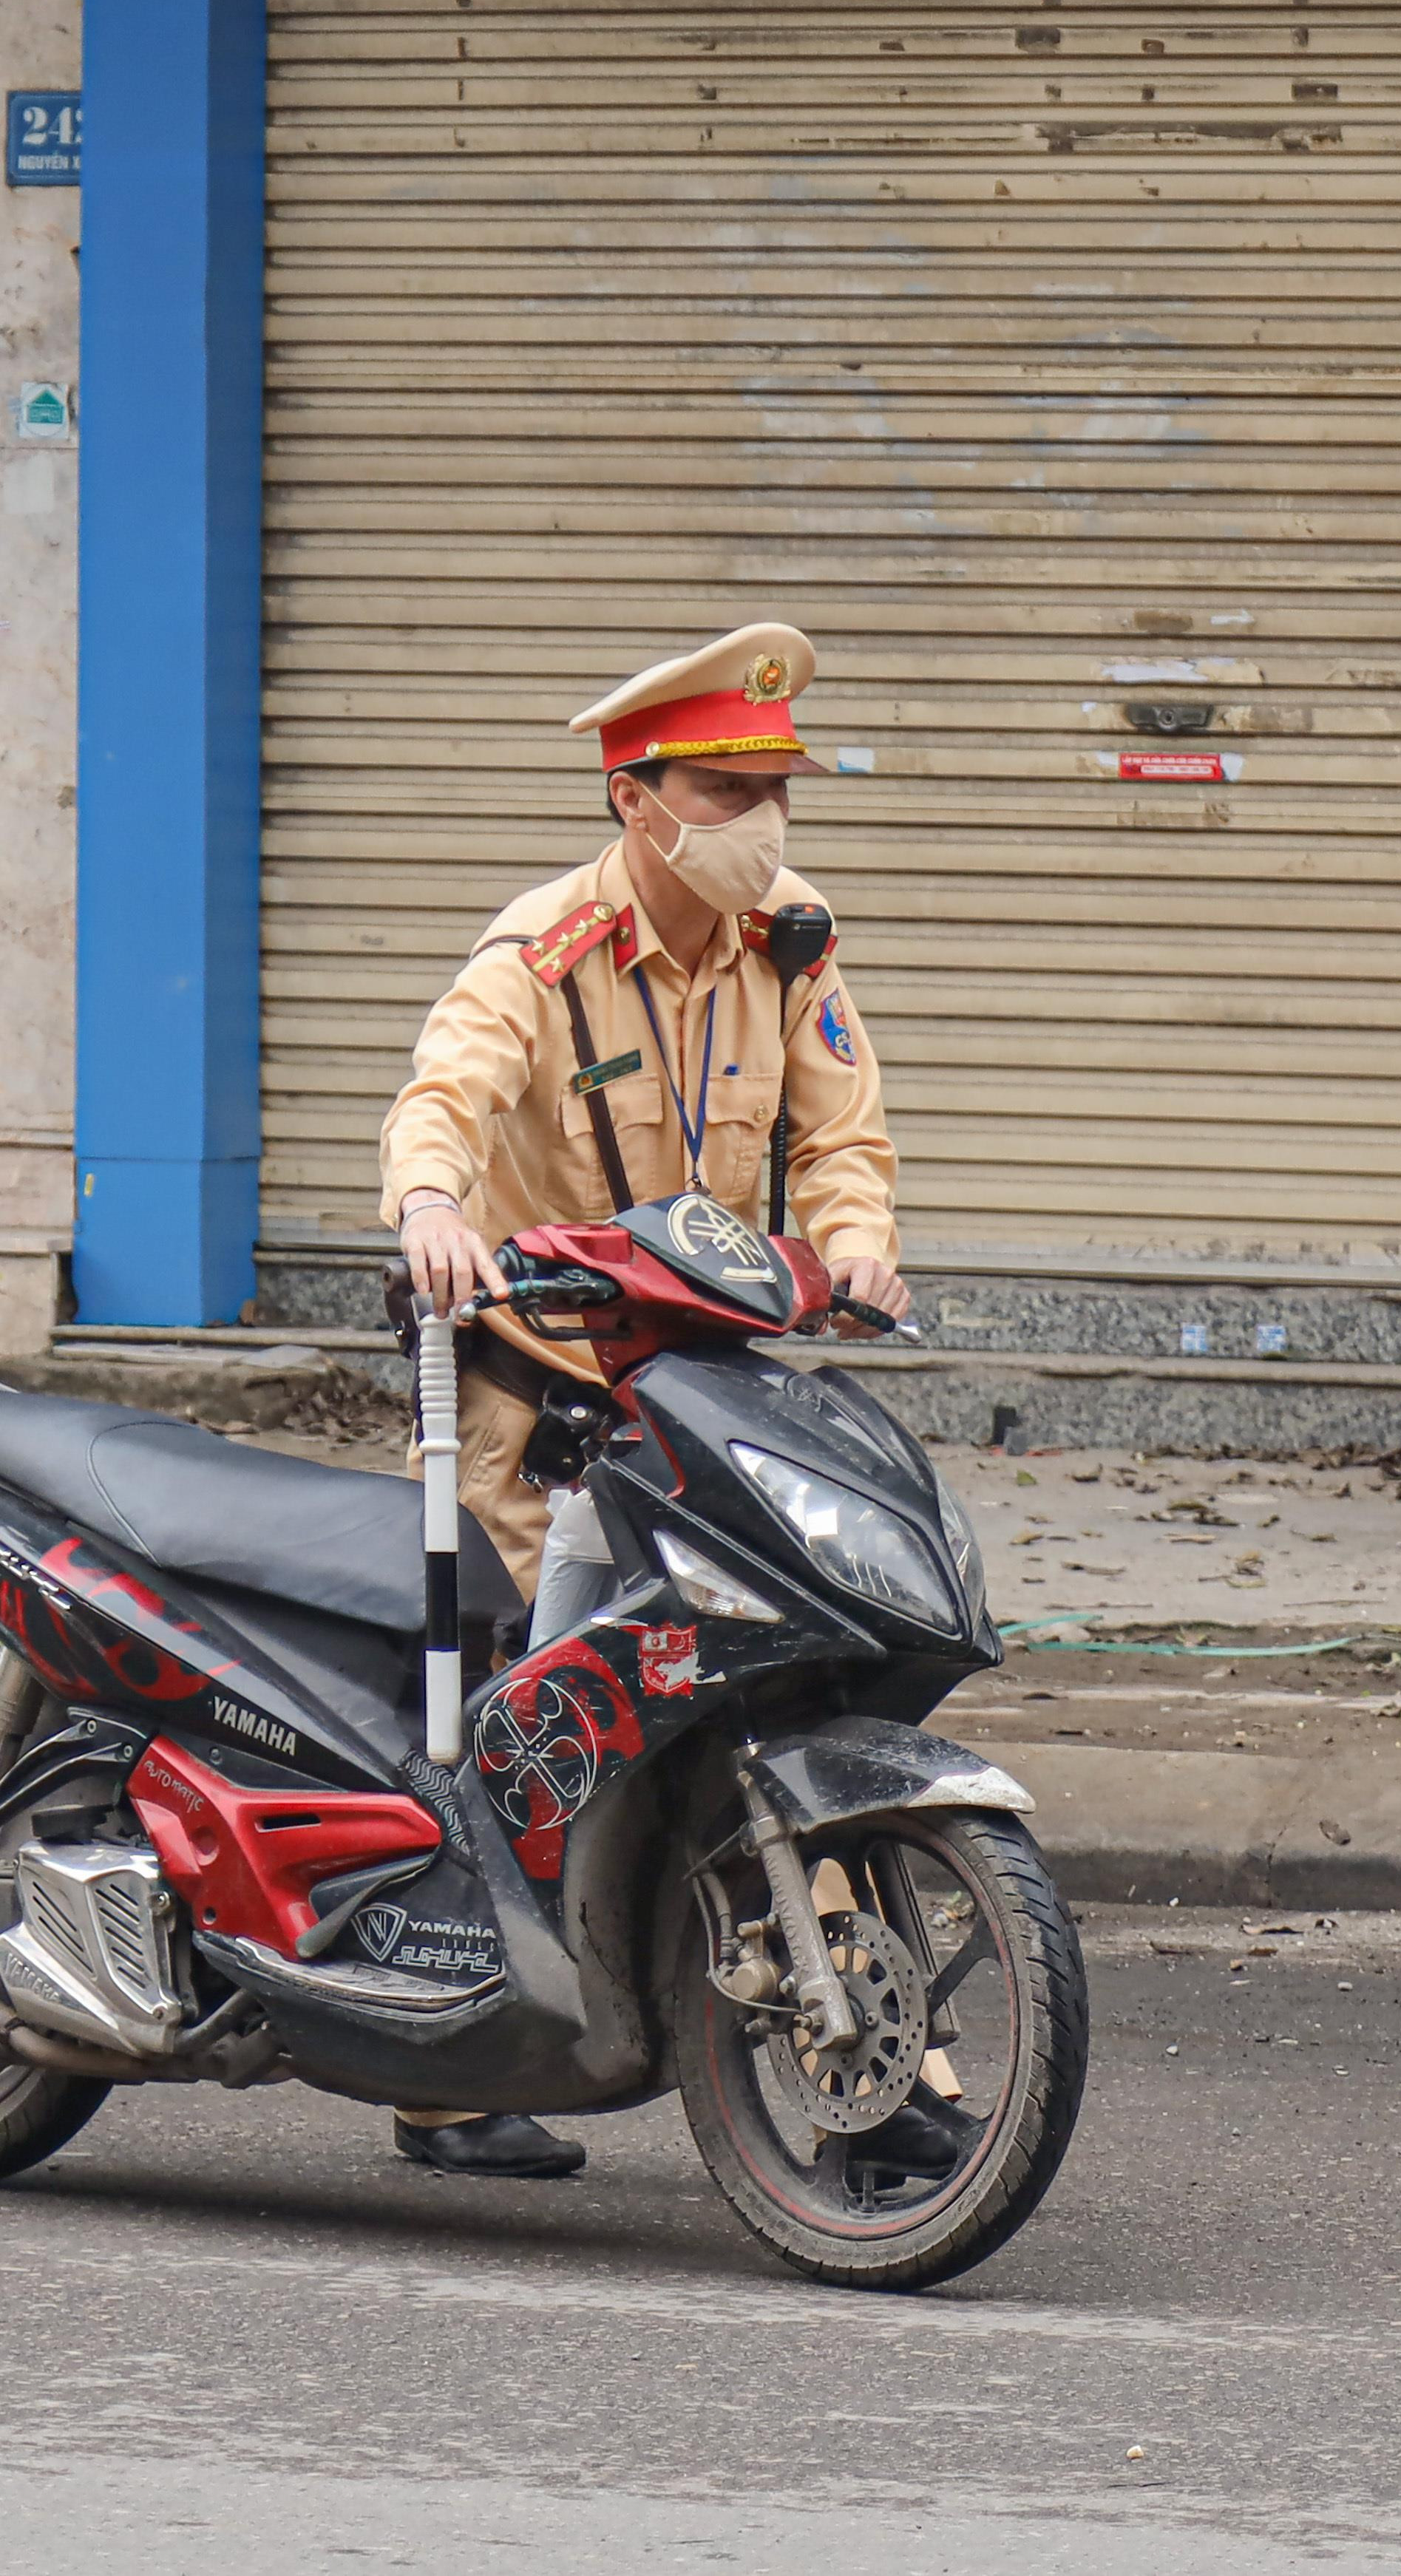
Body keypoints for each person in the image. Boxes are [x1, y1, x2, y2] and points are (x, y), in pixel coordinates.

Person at [370, 622, 910, 2181]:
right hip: (541, 1396)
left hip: (709, 1389)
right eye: (722, 789)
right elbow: (442, 1099)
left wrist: (857, 1252)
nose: (760, 822)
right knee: (523, 1705)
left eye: (771, 790)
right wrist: (429, 1210)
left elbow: (841, 1139)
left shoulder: (790, 943)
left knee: (769, 1669)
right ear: (636, 799)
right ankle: (451, 2051)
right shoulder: (540, 957)